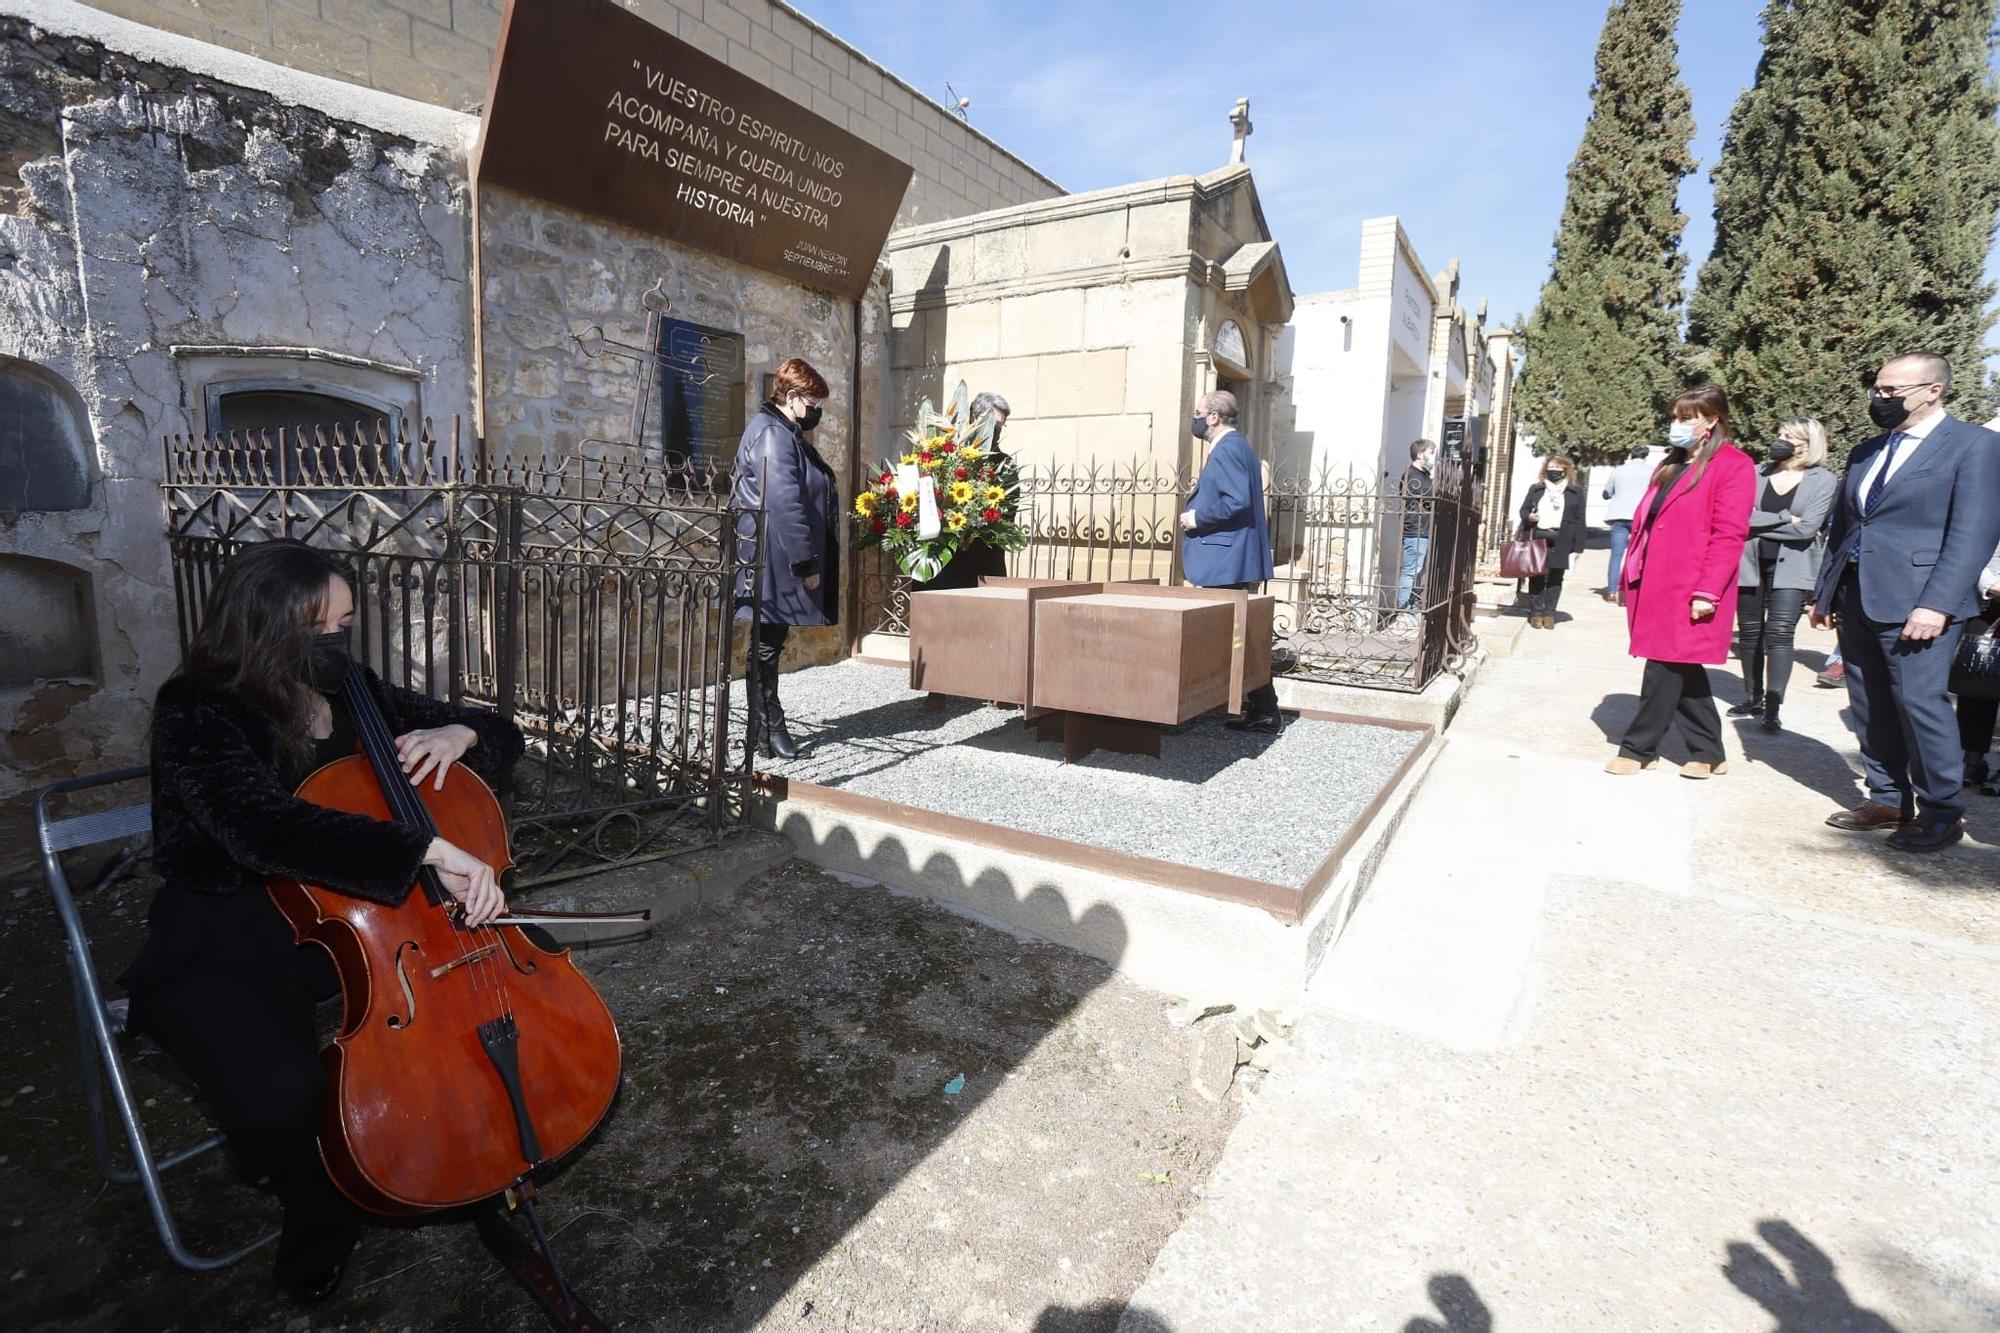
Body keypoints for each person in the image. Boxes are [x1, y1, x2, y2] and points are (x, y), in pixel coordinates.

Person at [123, 540, 522, 1304]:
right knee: (275, 1096)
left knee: (477, 1003)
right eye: (320, 627)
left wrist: (461, 734)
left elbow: (498, 731)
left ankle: (464, 1142)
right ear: (263, 623)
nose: (336, 643)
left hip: (363, 914)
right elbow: (259, 828)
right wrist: (426, 847)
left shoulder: (352, 689)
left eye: (344, 624)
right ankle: (317, 1204)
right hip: (232, 923)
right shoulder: (198, 706)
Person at [1811, 352, 2000, 852]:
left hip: (1920, 604)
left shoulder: (1976, 446)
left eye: (1892, 391)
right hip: (1858, 598)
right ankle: (1888, 797)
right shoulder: (1867, 450)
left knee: (1920, 705)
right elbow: (1846, 529)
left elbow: (1973, 533)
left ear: (1933, 390)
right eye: (1878, 389)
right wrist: (1826, 592)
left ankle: (1941, 811)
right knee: (1869, 703)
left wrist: (1936, 603)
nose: (1881, 398)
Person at [1606, 384, 1755, 778]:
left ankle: (1639, 748)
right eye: (1675, 417)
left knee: (1663, 666)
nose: (1677, 425)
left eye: (1685, 418)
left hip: (1690, 584)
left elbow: (1728, 533)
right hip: (1653, 579)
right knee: (1681, 666)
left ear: (1712, 420)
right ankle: (1708, 751)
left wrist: (1708, 590)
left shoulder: (1733, 464)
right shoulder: (1670, 464)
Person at [731, 357, 841, 760]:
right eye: (813, 402)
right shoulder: (773, 435)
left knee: (767, 644)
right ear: (792, 397)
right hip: (773, 559)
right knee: (765, 645)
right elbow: (785, 504)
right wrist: (806, 565)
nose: (817, 411)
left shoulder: (779, 430)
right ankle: (769, 730)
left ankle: (763, 733)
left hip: (771, 557)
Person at [1179, 388, 1280, 732]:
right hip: (1231, 557)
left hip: (1225, 559)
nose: (1194, 419)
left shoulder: (1228, 449)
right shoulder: (1241, 448)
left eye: (1197, 412)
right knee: (1236, 636)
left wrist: (1196, 518)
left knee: (1232, 637)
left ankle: (1263, 708)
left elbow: (1236, 501)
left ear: (1213, 417)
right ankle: (1260, 707)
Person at [1728, 417, 1838, 732]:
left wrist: (1761, 522)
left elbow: (1807, 528)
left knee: (1778, 634)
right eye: (1780, 433)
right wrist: (1784, 517)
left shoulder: (1822, 479)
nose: (1780, 439)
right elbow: (1738, 516)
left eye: (1789, 435)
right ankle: (1752, 697)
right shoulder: (1756, 473)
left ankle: (1773, 707)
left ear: (1808, 443)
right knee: (1749, 632)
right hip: (1749, 562)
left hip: (1793, 567)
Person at [919, 391, 1015, 591]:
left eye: (1000, 426)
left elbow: (1007, 511)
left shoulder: (1005, 463)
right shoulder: (948, 453)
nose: (995, 431)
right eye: (992, 423)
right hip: (944, 563)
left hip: (983, 563)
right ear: (973, 418)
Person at [1517, 455, 1586, 629]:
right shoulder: (1537, 489)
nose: (1554, 470)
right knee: (1537, 576)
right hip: (1538, 536)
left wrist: (1578, 547)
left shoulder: (1575, 492)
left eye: (1558, 467)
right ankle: (1535, 613)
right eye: (1551, 467)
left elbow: (1580, 520)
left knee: (1556, 578)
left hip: (1562, 538)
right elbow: (1523, 510)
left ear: (1566, 470)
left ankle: (1549, 613)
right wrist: (1529, 516)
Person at [1956, 542, 2000, 792]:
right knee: (1977, 682)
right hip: (1990, 599)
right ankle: (1972, 758)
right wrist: (1991, 585)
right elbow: (1973, 541)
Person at [1600, 445, 1654, 599]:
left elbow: (1606, 493)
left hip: (1619, 515)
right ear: (1646, 456)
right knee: (1640, 554)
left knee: (1616, 555)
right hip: (1641, 516)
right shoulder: (1652, 471)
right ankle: (1632, 590)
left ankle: (1611, 591)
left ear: (1631, 455)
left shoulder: (1619, 470)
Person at [1396, 438, 1436, 611]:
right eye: (1431, 453)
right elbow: (1430, 497)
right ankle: (1403, 609)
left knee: (1417, 572)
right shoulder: (1412, 475)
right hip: (1415, 530)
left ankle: (1411, 607)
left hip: (1423, 530)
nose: (1434, 457)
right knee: (1411, 570)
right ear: (1420, 454)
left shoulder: (1424, 475)